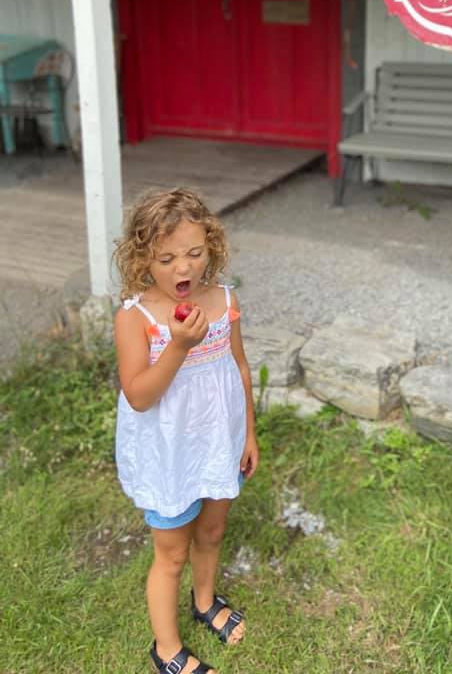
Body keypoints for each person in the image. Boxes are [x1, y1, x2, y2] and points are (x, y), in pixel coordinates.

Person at [113, 187, 259, 674]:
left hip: (219, 443)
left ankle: (204, 601)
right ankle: (167, 649)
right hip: (169, 456)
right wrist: (177, 346)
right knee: (171, 554)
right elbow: (140, 395)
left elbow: (239, 368)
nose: (184, 268)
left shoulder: (224, 299)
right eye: (167, 258)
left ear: (211, 247)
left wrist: (248, 434)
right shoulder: (135, 318)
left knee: (212, 532)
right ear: (142, 259)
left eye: (195, 253)